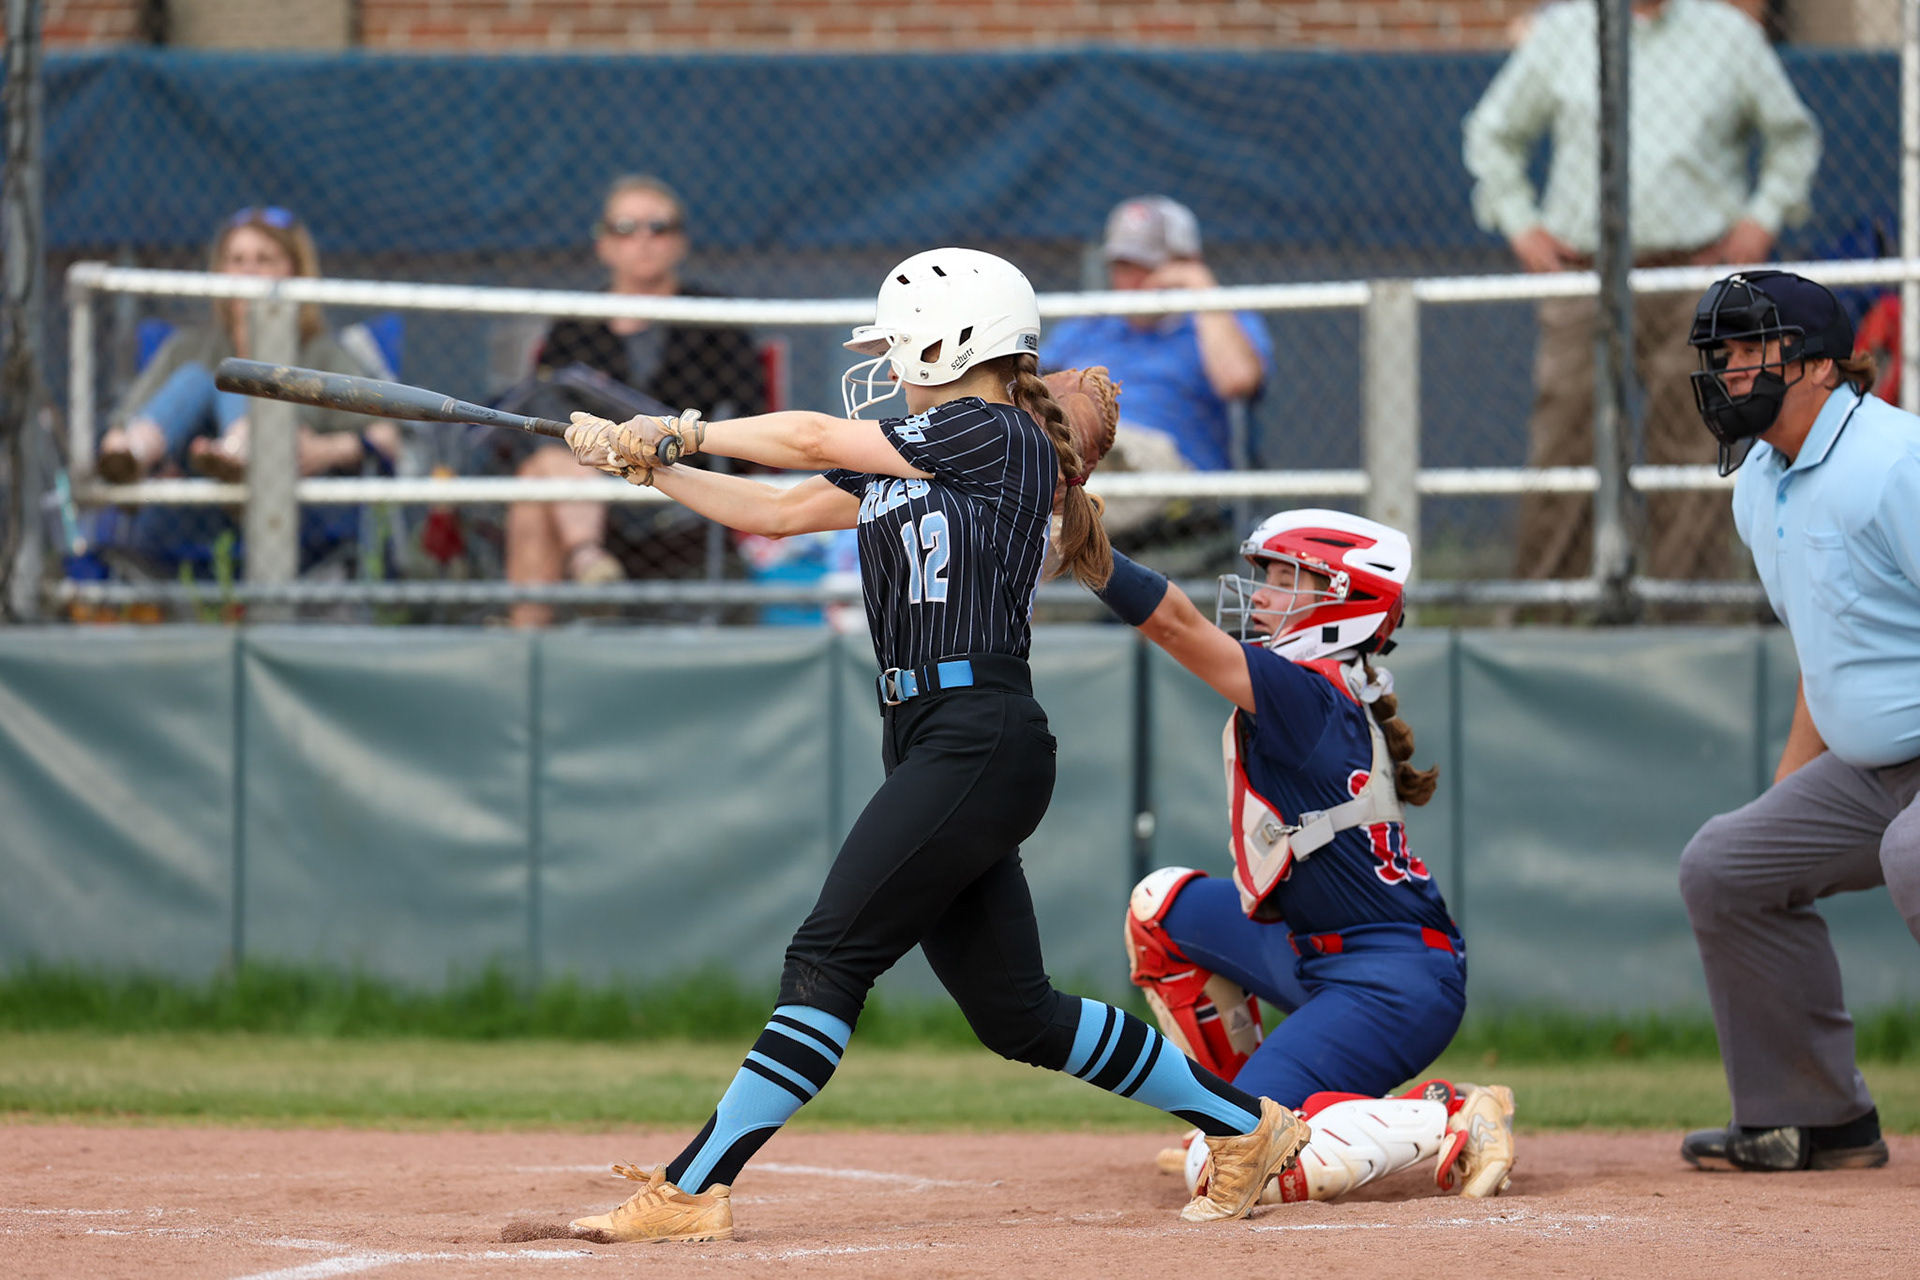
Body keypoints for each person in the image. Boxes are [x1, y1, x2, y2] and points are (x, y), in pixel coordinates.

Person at [556, 248, 1309, 1243]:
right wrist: (656, 468)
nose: (891, 366)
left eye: (902, 347)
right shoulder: (920, 454)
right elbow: (779, 507)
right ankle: (1245, 1127)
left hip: (977, 733)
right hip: (928, 739)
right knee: (1019, 1014)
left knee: (828, 954)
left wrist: (684, 423)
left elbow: (815, 434)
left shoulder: (995, 437)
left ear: (956, 342)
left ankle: (697, 1182)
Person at [1088, 510, 1517, 1205]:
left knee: (1221, 1168)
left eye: (1289, 581)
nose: (1261, 596)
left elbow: (1174, 626)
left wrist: (1092, 554)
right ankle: (1236, 1110)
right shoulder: (1323, 684)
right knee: (1160, 910)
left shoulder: (1309, 690)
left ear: (1348, 603)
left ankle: (1451, 1116)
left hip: (1390, 984)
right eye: (1269, 578)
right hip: (1324, 951)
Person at [1677, 269, 1918, 1172]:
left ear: (1819, 367)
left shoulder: (1894, 462)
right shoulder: (1759, 484)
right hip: (1872, 768)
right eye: (1721, 354)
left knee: (1915, 852)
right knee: (1727, 867)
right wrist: (1786, 802)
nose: (1729, 370)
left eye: (1748, 349)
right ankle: (1814, 1119)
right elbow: (1827, 653)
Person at [1462, 0, 1820, 588]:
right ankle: (1548, 611)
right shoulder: (1563, 33)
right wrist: (1519, 222)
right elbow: (1492, 133)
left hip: (1693, 280)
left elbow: (1793, 137)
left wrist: (1763, 217)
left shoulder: (1727, 35)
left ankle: (1690, 615)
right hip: (1582, 276)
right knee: (1565, 446)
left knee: (1694, 447)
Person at [494, 175, 765, 627]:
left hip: (680, 478)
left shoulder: (715, 316)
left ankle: (530, 648)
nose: (643, 240)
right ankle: (586, 560)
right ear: (603, 244)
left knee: (537, 481)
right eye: (625, 227)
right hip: (590, 478)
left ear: (680, 242)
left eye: (658, 227)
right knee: (539, 469)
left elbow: (749, 416)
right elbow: (545, 411)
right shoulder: (576, 324)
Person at [97, 206, 397, 486]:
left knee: (237, 379)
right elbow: (118, 430)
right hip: (193, 505)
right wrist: (131, 456)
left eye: (264, 260)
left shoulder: (322, 353)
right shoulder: (187, 347)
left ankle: (238, 451)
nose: (248, 273)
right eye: (236, 261)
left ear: (293, 271)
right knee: (197, 379)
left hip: (283, 497)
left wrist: (324, 449)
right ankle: (141, 454)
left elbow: (387, 437)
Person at [1044, 196, 1272, 527]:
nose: (1131, 282)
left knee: (1096, 455)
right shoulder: (1088, 327)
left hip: (1173, 481)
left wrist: (1200, 287)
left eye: (1146, 267)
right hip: (1077, 456)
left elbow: (1237, 379)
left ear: (1186, 263)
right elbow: (1025, 388)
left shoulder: (1221, 321)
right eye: (1122, 267)